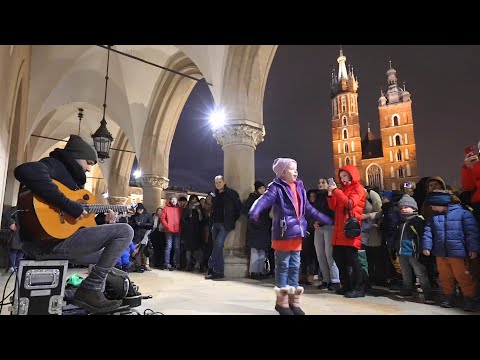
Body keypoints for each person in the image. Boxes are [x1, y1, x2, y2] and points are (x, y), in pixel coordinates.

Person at [14, 134, 133, 313]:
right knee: (125, 231)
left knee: (108, 254)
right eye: (88, 162)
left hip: (56, 242)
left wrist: (102, 220)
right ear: (75, 157)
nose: (89, 169)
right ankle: (90, 289)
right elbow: (25, 170)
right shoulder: (55, 166)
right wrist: (70, 205)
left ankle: (92, 294)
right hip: (46, 244)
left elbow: (78, 222)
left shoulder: (73, 184)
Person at [249, 158, 333, 315]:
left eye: (296, 168)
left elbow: (307, 207)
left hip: (297, 233)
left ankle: (294, 302)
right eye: (292, 169)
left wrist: (323, 217)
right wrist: (255, 210)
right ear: (282, 172)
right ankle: (282, 303)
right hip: (282, 233)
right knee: (283, 266)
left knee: (295, 266)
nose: (296, 171)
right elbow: (264, 200)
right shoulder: (276, 187)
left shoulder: (299, 186)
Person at [422, 190, 480, 311]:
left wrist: (473, 249)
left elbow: (471, 233)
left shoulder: (464, 214)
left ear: (441, 203)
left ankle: (470, 299)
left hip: (458, 253)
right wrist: (427, 246)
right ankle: (449, 297)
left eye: (434, 205)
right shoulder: (434, 217)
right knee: (445, 277)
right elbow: (428, 232)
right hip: (441, 253)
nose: (432, 208)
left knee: (464, 277)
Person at [327, 164, 367, 298]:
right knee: (338, 257)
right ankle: (347, 285)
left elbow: (350, 203)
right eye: (341, 176)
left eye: (345, 176)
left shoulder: (358, 188)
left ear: (352, 175)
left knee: (352, 259)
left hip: (350, 230)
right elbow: (334, 207)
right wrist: (331, 194)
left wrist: (336, 192)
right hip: (340, 230)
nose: (342, 179)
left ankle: (359, 287)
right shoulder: (342, 190)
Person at [205, 175, 242, 280]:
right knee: (218, 247)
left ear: (224, 182)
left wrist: (232, 220)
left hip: (225, 224)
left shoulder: (231, 193)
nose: (218, 184)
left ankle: (210, 265)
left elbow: (238, 208)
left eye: (220, 182)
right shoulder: (214, 195)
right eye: (216, 183)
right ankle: (219, 271)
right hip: (215, 224)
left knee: (218, 244)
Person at [242, 180, 271, 279]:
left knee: (262, 251)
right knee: (255, 251)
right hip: (255, 228)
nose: (263, 190)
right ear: (257, 189)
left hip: (263, 228)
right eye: (260, 188)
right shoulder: (252, 199)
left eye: (263, 188)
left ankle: (260, 271)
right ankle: (254, 272)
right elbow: (245, 211)